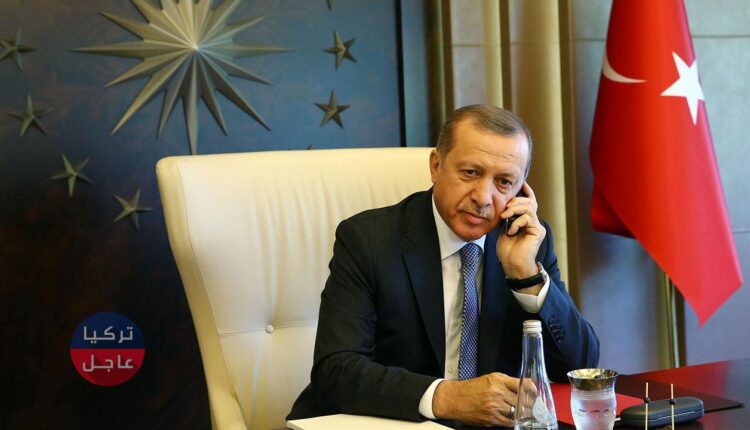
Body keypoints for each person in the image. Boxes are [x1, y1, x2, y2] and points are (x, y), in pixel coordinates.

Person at [287, 105, 599, 427]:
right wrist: (448, 397)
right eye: (471, 173)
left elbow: (580, 368)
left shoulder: (528, 242)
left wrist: (525, 275)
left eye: (504, 182)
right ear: (436, 166)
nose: (483, 197)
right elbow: (336, 371)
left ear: (521, 190)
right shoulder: (368, 240)